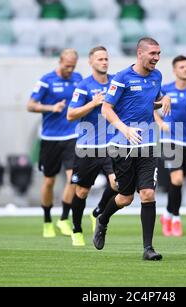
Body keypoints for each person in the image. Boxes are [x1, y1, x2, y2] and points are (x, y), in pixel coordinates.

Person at [94, 37, 171, 260]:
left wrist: (164, 99)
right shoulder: (122, 78)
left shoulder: (157, 76)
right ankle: (103, 219)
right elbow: (106, 109)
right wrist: (124, 128)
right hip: (122, 146)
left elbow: (152, 99)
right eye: (153, 54)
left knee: (147, 193)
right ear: (140, 53)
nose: (157, 58)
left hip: (147, 144)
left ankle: (148, 248)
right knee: (125, 197)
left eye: (159, 54)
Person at [27, 49, 82, 238]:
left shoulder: (78, 79)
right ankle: (47, 220)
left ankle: (64, 218)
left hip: (71, 136)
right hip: (50, 138)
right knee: (49, 181)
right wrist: (52, 107)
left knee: (73, 179)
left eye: (73, 66)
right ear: (60, 61)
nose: (70, 69)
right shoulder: (46, 80)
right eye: (67, 66)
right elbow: (30, 105)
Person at [66, 46, 118, 246]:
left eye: (106, 58)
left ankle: (98, 212)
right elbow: (71, 115)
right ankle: (76, 229)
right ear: (91, 62)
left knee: (117, 184)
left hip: (111, 146)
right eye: (100, 59)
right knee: (81, 192)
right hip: (88, 147)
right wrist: (93, 104)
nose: (104, 62)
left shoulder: (116, 82)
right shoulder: (84, 86)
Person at [154, 55, 186, 237]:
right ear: (175, 70)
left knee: (179, 182)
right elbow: (150, 109)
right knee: (175, 179)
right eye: (182, 67)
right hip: (170, 139)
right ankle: (175, 218)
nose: (185, 69)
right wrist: (160, 123)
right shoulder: (165, 90)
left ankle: (167, 213)